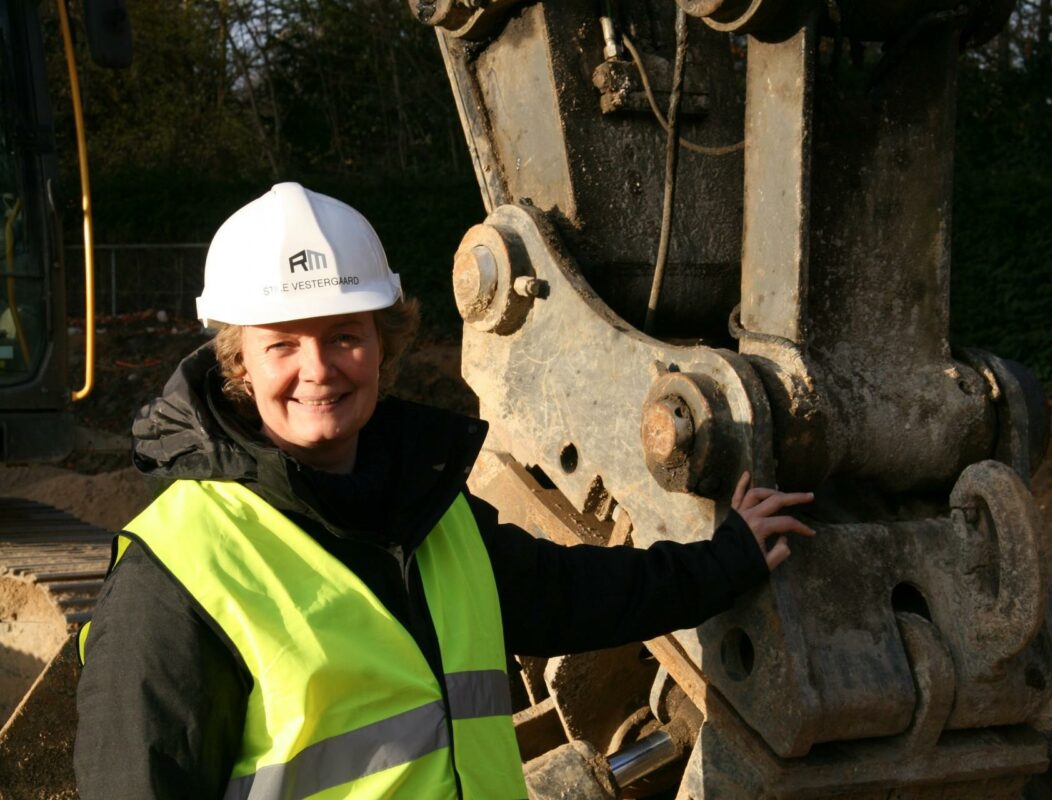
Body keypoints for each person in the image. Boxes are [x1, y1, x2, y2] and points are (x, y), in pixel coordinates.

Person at [73, 183, 814, 799]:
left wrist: (732, 557)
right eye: (284, 346)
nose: (320, 369)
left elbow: (577, 595)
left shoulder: (427, 512)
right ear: (238, 363)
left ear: (384, 343)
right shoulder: (176, 571)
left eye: (344, 336)